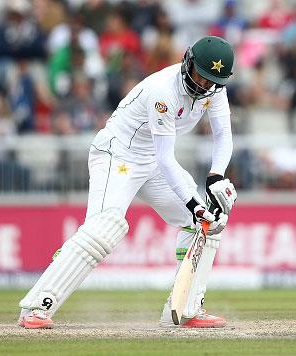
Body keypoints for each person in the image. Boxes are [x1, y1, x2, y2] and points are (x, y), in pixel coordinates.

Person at [17, 36, 238, 329]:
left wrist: (216, 176)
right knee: (105, 227)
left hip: (151, 161)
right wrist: (195, 203)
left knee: (206, 224)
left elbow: (223, 135)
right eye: (199, 75)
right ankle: (36, 307)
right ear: (187, 63)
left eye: (210, 81)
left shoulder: (213, 88)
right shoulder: (163, 91)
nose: (203, 85)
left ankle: (185, 308)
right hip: (117, 155)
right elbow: (166, 158)